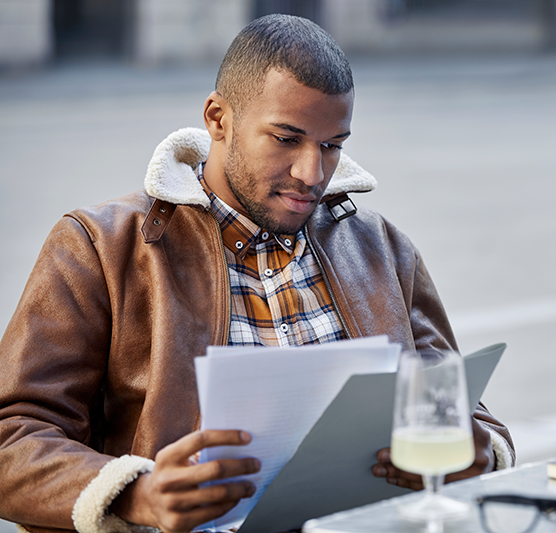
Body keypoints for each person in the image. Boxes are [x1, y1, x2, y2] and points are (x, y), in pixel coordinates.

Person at [0, 14, 515, 533]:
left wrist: (475, 454)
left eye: (332, 145)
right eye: (286, 138)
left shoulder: (381, 247)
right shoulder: (100, 247)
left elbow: (464, 413)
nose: (312, 173)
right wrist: (139, 493)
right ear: (218, 118)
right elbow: (12, 439)